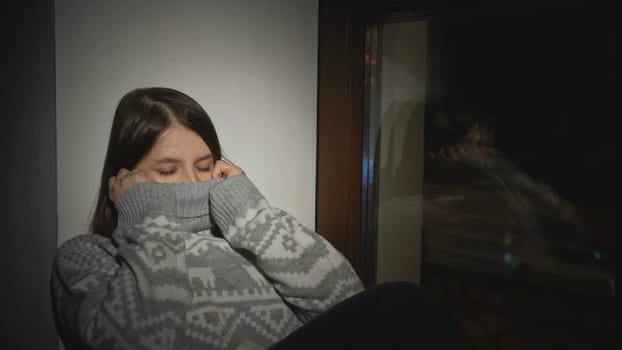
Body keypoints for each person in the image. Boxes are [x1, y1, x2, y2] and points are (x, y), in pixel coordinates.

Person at [51, 87, 474, 350]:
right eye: (166, 171)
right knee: (401, 303)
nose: (191, 182)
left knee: (402, 306)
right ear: (126, 177)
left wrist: (250, 214)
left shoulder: (245, 238)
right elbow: (138, 342)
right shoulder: (89, 257)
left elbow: (348, 305)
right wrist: (145, 223)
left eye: (204, 165)